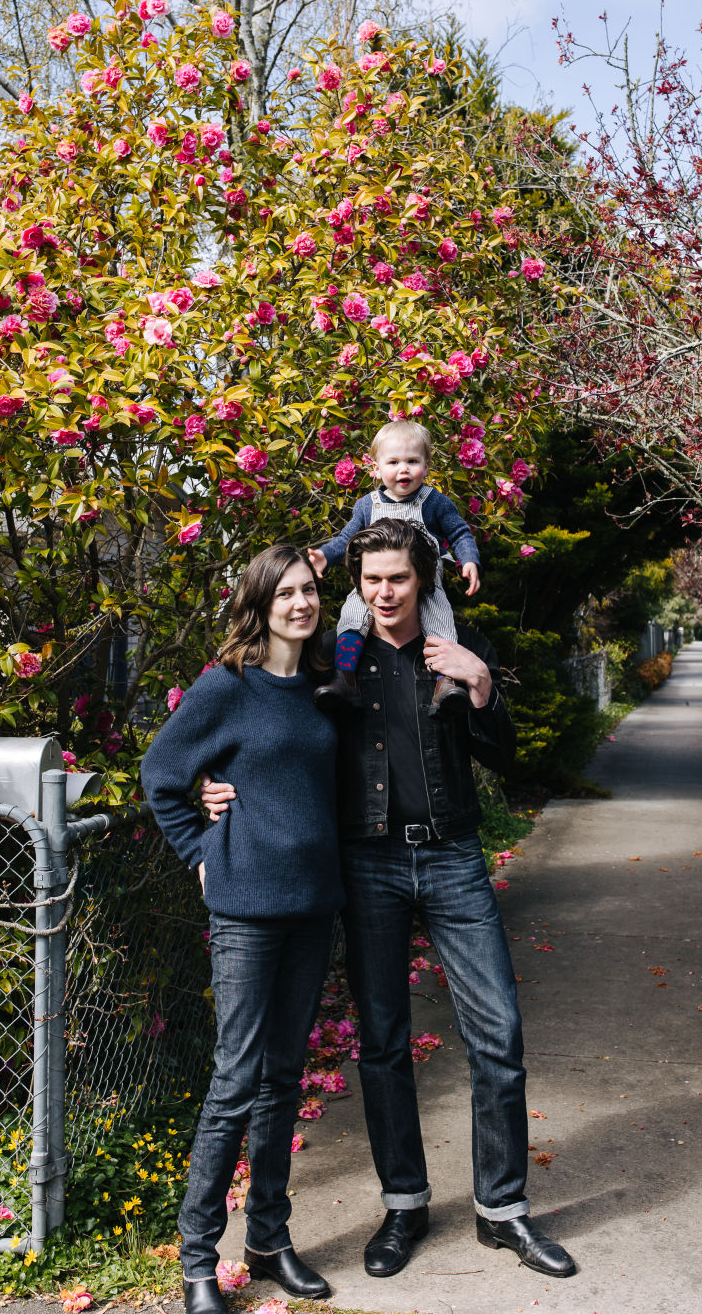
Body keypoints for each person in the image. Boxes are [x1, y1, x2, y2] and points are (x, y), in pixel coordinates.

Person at [202, 518, 576, 1281]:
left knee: (498, 1036)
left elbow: (503, 756)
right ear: (358, 584)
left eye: (397, 579)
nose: (383, 592)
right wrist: (212, 791)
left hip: (452, 859)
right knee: (382, 1046)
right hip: (365, 863)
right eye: (370, 580)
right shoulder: (330, 663)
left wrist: (480, 683)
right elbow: (267, 733)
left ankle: (503, 1212)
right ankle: (403, 1203)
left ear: (422, 581)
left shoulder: (455, 650)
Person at [140, 545, 343, 1314]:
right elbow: (161, 774)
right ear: (259, 604)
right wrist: (200, 848)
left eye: (309, 591)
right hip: (246, 912)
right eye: (285, 593)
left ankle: (268, 1239)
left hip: (313, 906)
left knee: (285, 1079)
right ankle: (197, 1260)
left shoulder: (326, 687)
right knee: (235, 1081)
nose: (301, 604)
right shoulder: (225, 687)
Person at [309, 419, 481, 716]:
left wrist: (469, 560)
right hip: (373, 586)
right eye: (393, 462)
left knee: (439, 623)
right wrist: (325, 556)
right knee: (352, 616)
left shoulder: (434, 502)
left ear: (426, 467)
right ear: (376, 468)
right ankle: (345, 677)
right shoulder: (368, 505)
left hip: (427, 584)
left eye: (412, 461)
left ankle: (445, 682)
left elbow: (459, 533)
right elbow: (346, 539)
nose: (403, 469)